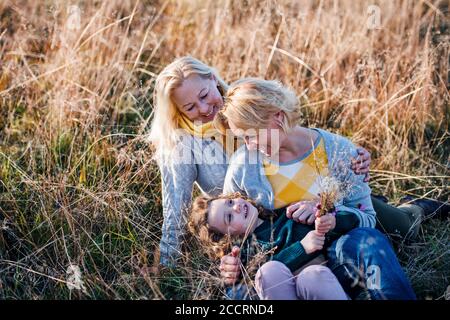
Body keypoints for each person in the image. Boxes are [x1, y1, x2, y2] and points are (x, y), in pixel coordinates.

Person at [212, 78, 426, 299]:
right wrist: (230, 261)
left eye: (251, 136)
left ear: (277, 117)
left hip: (336, 261)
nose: (249, 146)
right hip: (278, 270)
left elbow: (368, 218)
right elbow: (230, 228)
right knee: (237, 294)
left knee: (368, 240)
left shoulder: (338, 152)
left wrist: (327, 210)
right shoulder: (243, 167)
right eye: (242, 138)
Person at [148, 56, 372, 267]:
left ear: (213, 79)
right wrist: (167, 264)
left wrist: (351, 153)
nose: (204, 109)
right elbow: (175, 208)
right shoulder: (180, 145)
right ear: (177, 111)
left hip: (308, 197)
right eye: (190, 107)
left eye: (205, 95)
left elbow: (292, 131)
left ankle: (406, 215)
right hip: (253, 221)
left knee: (378, 217)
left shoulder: (242, 103)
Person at [189, 192, 355, 300]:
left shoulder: (290, 215)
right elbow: (256, 282)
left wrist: (330, 221)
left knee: (311, 276)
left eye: (230, 201)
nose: (236, 207)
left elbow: (351, 225)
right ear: (228, 237)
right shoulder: (247, 253)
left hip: (322, 285)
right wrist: (301, 248)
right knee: (268, 271)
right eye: (229, 217)